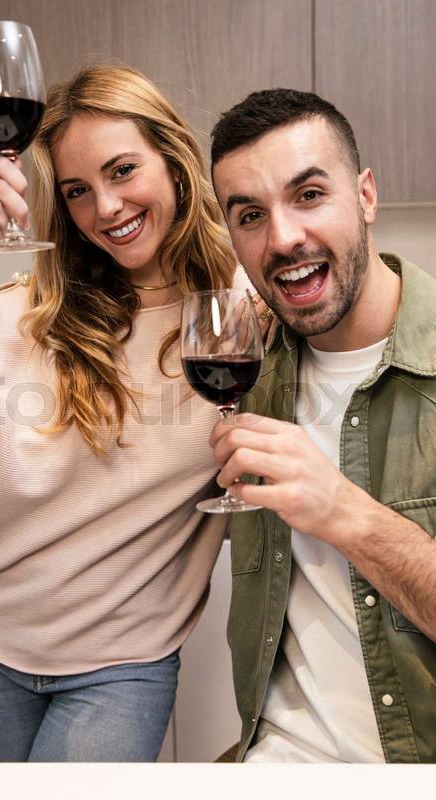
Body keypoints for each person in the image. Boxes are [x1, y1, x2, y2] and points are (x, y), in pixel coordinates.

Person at [0, 64, 266, 762]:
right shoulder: (21, 311)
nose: (105, 207)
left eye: (123, 170)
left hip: (122, 666)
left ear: (175, 161)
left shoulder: (236, 316)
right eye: (77, 191)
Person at [208, 88, 436, 763]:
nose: (282, 239)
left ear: (365, 195)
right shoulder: (248, 373)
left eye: (308, 195)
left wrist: (342, 512)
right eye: (251, 215)